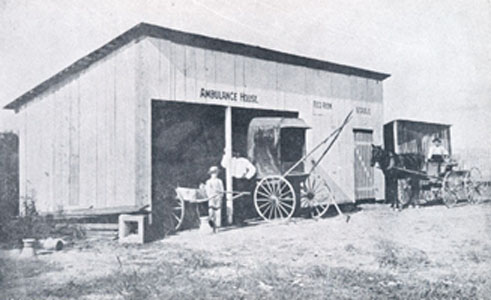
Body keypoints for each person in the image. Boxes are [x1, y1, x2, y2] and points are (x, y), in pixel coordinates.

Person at [205, 166, 224, 233]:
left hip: (218, 198)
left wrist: (220, 195)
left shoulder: (219, 181)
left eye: (216, 173)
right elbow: (208, 191)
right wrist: (211, 195)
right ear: (210, 174)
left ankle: (217, 227)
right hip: (212, 198)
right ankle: (212, 226)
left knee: (218, 213)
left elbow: (222, 190)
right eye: (213, 173)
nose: (214, 174)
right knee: (211, 212)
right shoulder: (208, 182)